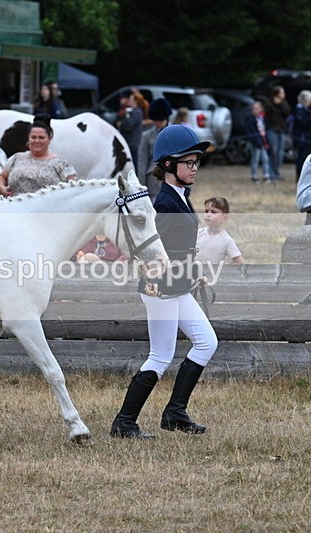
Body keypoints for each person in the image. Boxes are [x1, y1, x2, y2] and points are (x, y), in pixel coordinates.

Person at [110, 124, 217, 439]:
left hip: (178, 287)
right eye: (188, 162)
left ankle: (175, 412)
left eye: (196, 162)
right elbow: (147, 252)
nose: (194, 167)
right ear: (169, 165)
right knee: (160, 355)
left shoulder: (180, 196)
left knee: (207, 342)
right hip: (161, 290)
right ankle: (124, 422)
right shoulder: (164, 204)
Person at [0, 119, 76, 196]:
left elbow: (73, 188)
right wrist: (2, 189)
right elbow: (1, 176)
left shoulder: (61, 163)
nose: (37, 141)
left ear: (49, 139)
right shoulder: (17, 158)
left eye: (41, 137)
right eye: (33, 137)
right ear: (28, 138)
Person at [139, 97, 172, 197]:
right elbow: (142, 161)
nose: (158, 123)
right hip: (153, 180)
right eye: (155, 120)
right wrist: (141, 186)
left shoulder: (176, 133)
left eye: (160, 120)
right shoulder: (146, 135)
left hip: (173, 177)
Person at [195, 197, 244, 264]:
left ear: (224, 218)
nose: (208, 215)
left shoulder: (226, 240)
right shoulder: (197, 233)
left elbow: (239, 262)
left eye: (213, 212)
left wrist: (226, 271)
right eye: (206, 211)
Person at [264, 85, 291, 180]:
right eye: (282, 92)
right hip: (272, 130)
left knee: (280, 153)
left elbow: (288, 112)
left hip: (281, 130)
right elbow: (267, 117)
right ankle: (271, 173)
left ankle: (276, 172)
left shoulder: (284, 104)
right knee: (273, 151)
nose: (283, 94)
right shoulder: (269, 104)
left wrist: (281, 104)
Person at [292, 90, 311, 182]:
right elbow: (301, 122)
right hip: (302, 139)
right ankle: (300, 176)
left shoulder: (305, 110)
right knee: (302, 158)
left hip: (307, 139)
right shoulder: (299, 110)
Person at [116, 89, 144, 175]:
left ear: (136, 101)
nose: (129, 101)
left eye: (132, 100)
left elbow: (128, 124)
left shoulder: (137, 112)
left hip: (133, 142)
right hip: (130, 141)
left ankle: (135, 175)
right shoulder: (132, 111)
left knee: (134, 161)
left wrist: (121, 124)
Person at [244, 101, 273, 184]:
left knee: (265, 159)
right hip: (255, 143)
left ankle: (266, 175)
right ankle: (254, 176)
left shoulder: (262, 118)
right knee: (255, 159)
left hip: (263, 142)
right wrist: (256, 141)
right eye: (254, 108)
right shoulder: (250, 119)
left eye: (257, 108)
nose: (255, 110)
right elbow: (250, 132)